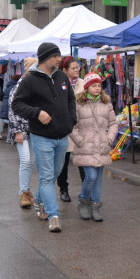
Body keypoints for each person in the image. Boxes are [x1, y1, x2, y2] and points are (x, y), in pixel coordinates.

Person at [11, 42, 77, 233]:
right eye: (57, 56)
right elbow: (16, 104)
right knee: (47, 177)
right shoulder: (29, 80)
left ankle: (39, 200)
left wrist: (71, 120)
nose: (60, 59)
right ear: (48, 58)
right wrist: (36, 113)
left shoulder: (61, 75)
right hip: (42, 137)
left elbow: (71, 99)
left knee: (54, 174)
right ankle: (53, 215)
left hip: (62, 136)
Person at [70, 72, 116, 222]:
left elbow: (113, 123)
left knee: (98, 179)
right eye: (94, 86)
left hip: (101, 147)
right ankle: (83, 201)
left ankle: (95, 206)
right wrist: (79, 141)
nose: (97, 88)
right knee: (91, 176)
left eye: (99, 85)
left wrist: (109, 139)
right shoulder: (78, 104)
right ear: (87, 87)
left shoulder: (106, 103)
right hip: (85, 147)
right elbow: (72, 125)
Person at [7, 61, 36, 209]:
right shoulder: (20, 85)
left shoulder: (36, 84)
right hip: (21, 129)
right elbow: (12, 109)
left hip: (34, 129)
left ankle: (27, 190)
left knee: (30, 162)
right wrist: (17, 130)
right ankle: (23, 192)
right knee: (25, 160)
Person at [56, 56, 82, 202]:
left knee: (82, 160)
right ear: (65, 70)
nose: (77, 70)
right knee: (63, 161)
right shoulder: (59, 83)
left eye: (78, 67)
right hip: (64, 127)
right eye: (73, 68)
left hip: (80, 127)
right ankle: (63, 189)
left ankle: (86, 190)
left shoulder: (84, 84)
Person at [0, 71, 20, 144]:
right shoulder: (15, 87)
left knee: (9, 124)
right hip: (10, 108)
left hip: (6, 107)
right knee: (12, 124)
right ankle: (9, 139)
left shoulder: (7, 87)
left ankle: (7, 137)